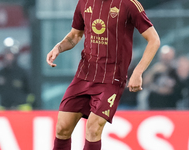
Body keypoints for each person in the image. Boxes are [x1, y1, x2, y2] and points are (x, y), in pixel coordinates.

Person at [46, 0, 160, 149]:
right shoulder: (84, 3)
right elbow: (75, 35)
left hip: (111, 79)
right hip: (83, 76)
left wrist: (138, 72)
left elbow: (154, 40)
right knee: (62, 128)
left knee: (93, 129)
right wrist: (58, 47)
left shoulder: (129, 4)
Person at [0, 38, 34, 110]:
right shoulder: (0, 74)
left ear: (16, 55)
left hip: (21, 111)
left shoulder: (23, 73)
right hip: (4, 111)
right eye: (6, 53)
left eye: (10, 54)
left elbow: (31, 92)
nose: (8, 56)